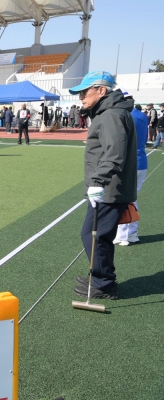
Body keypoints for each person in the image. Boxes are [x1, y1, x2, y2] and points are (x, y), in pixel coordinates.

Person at [69, 71, 137, 300]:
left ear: (101, 90)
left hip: (108, 188)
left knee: (93, 235)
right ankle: (99, 276)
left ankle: (103, 284)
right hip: (108, 187)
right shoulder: (109, 113)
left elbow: (114, 153)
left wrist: (98, 180)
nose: (80, 97)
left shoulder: (110, 115)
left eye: (84, 92)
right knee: (98, 236)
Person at [114, 98, 148, 246]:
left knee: (126, 198)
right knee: (130, 197)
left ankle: (127, 234)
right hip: (139, 161)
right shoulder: (139, 115)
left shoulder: (128, 116)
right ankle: (128, 233)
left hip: (131, 163)